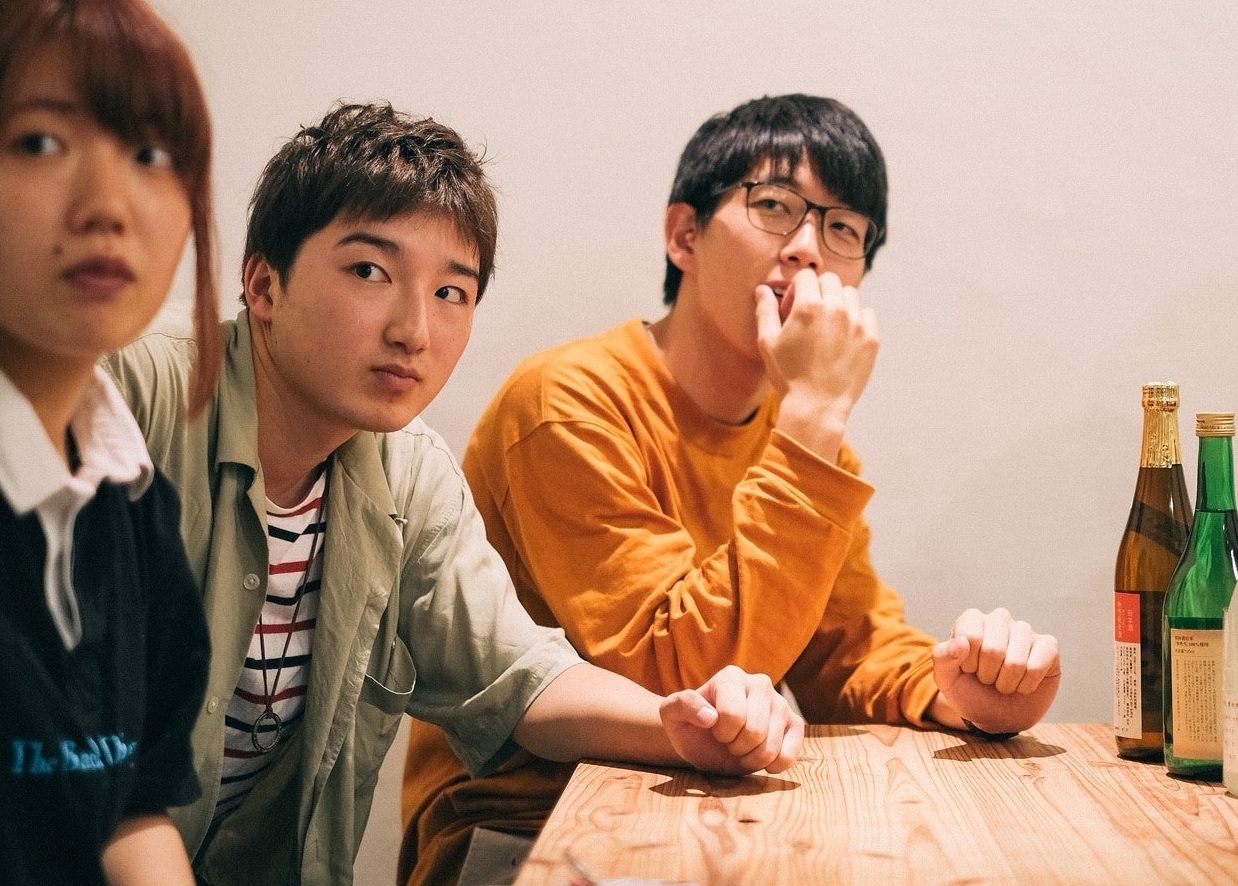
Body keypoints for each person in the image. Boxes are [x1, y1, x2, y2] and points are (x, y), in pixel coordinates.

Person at [104, 101, 803, 886]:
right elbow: (74, 741)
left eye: (451, 292)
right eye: (370, 272)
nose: (415, 330)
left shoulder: (408, 472)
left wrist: (681, 724)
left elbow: (519, 677)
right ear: (264, 284)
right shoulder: (128, 393)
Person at [400, 93, 1065, 884]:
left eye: (844, 228)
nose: (809, 250)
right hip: (520, 831)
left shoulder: (800, 436)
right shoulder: (567, 403)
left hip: (703, 820)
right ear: (684, 235)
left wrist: (964, 692)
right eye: (775, 206)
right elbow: (673, 681)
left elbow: (845, 650)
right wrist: (814, 418)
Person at [0, 0, 218, 885]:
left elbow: (130, 806)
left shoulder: (128, 496)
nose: (108, 205)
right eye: (39, 142)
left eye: (153, 154)